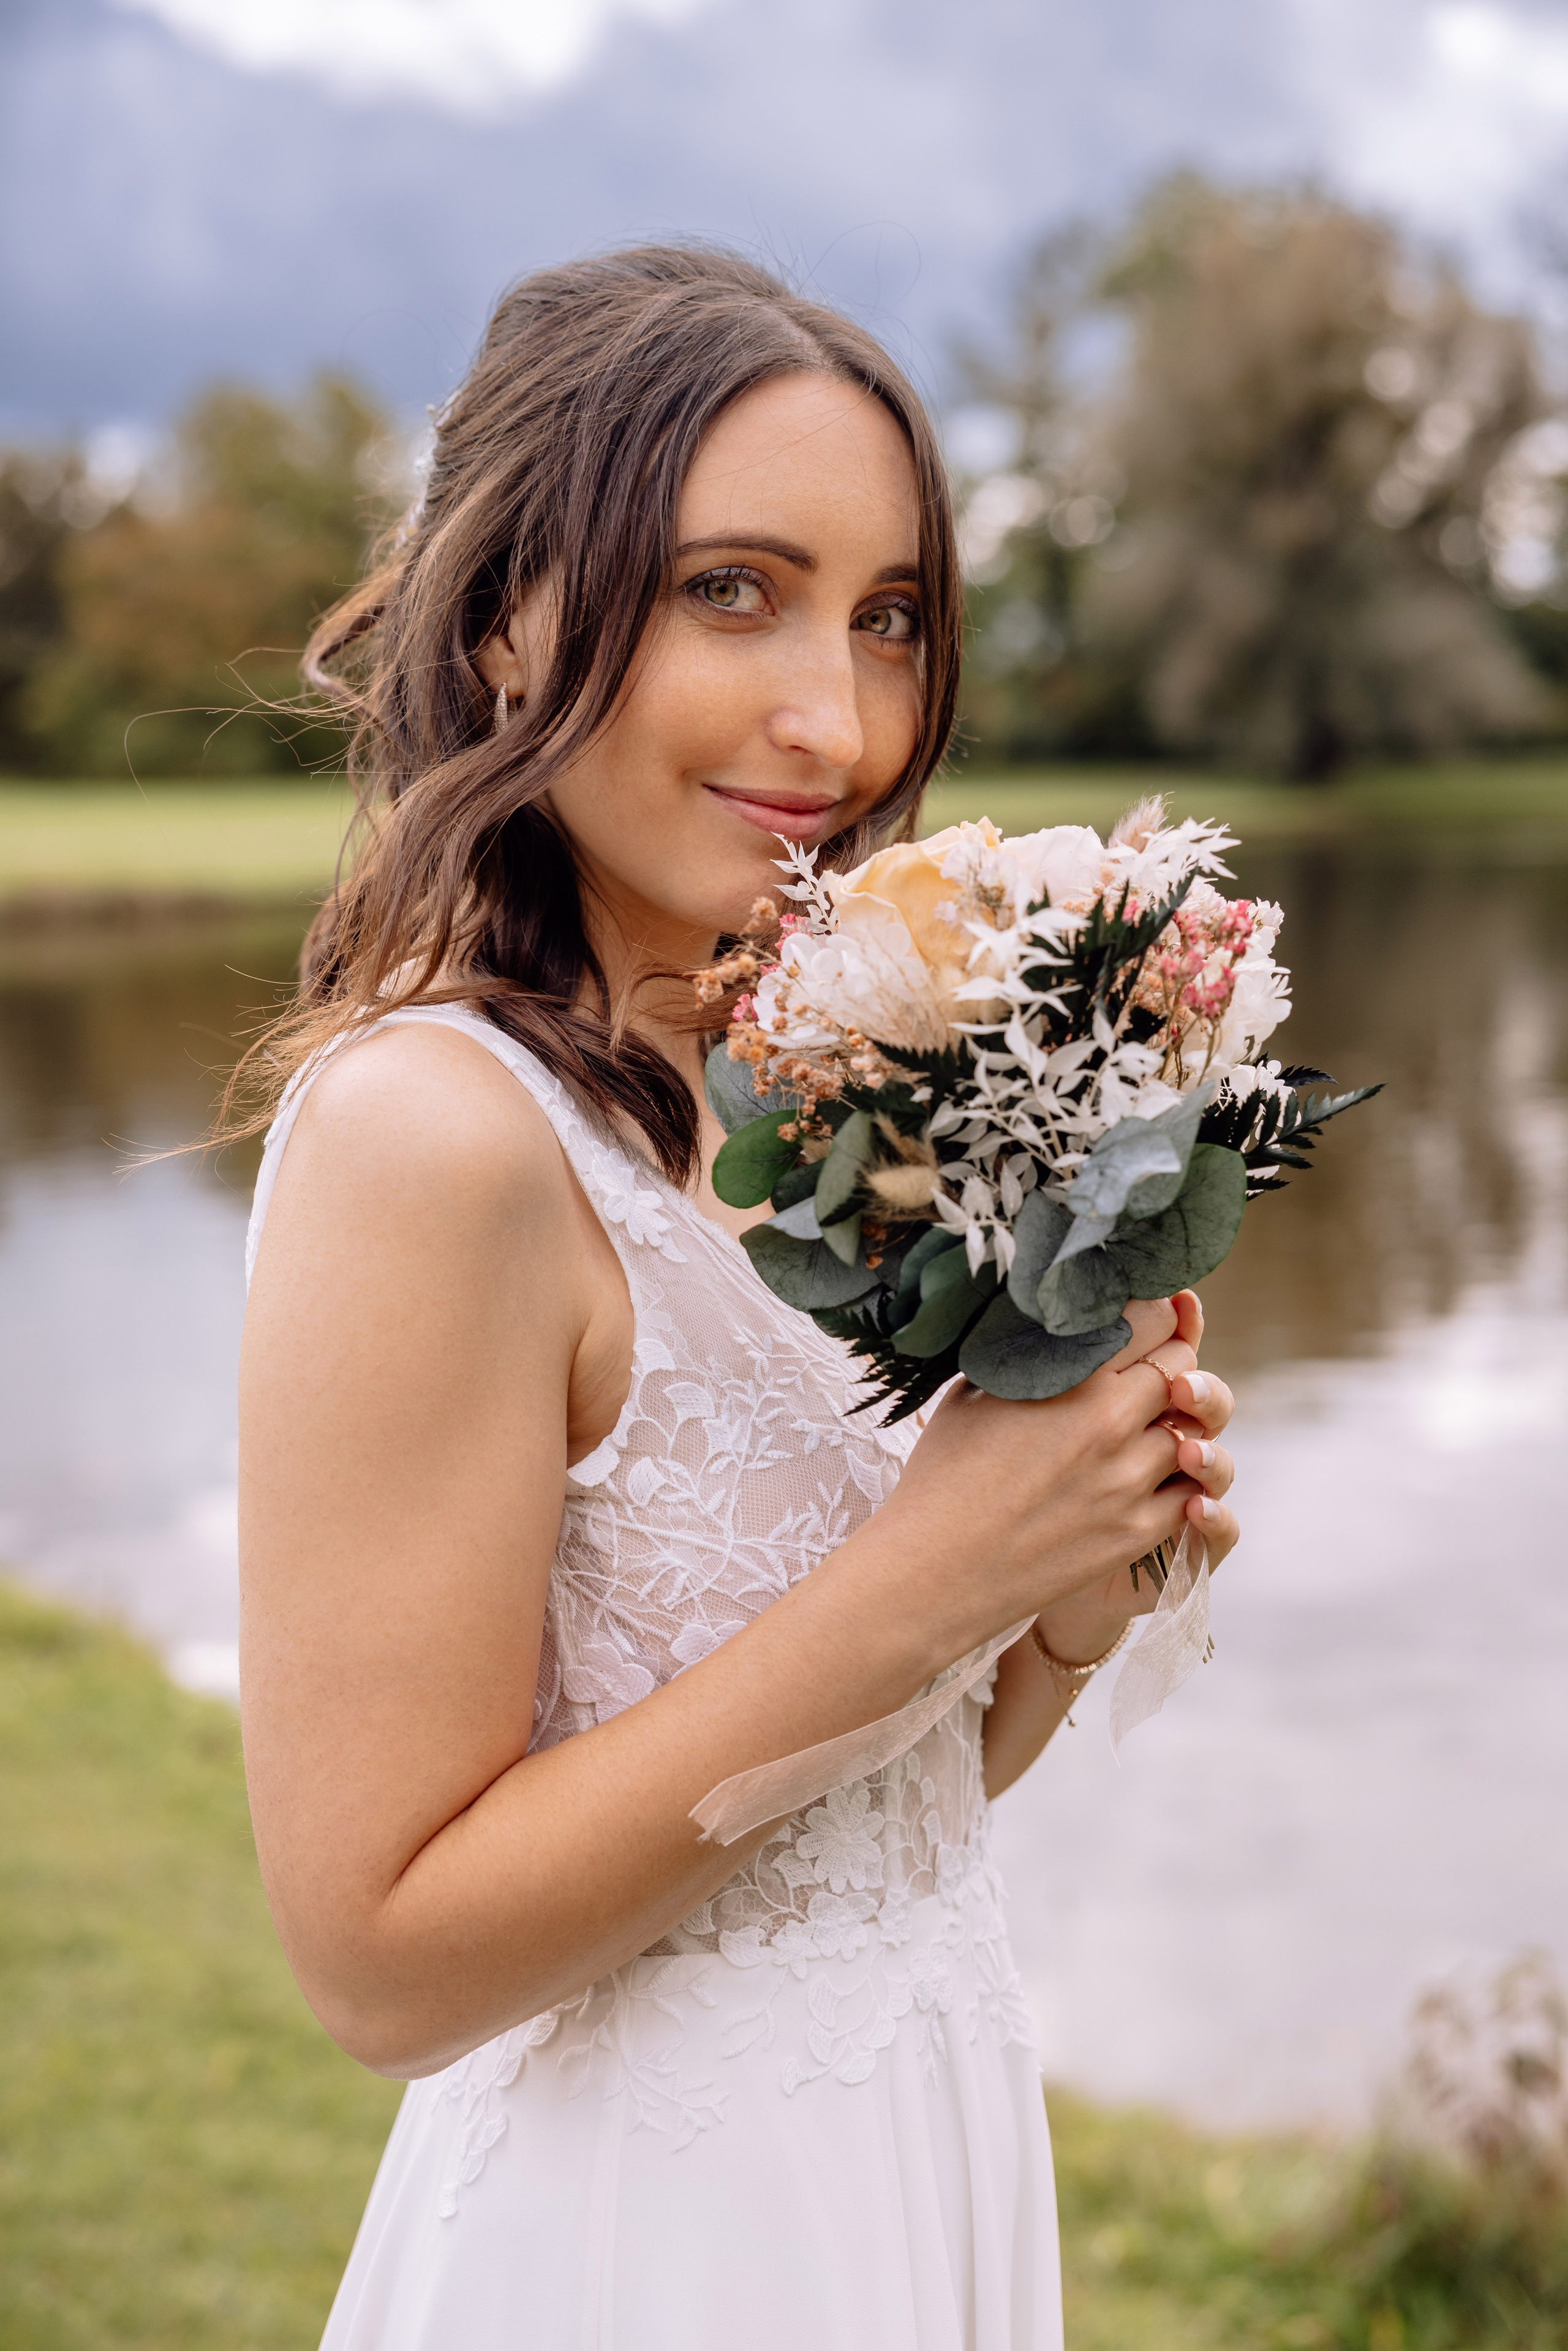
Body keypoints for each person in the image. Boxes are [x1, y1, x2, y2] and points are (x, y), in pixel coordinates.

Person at [237, 245, 1238, 2350]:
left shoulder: (809, 1103)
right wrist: (930, 1571)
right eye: (734, 592)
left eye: (887, 619)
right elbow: (381, 1964)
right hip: (650, 2245)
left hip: (913, 2148)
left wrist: (1062, 1577)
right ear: (510, 613)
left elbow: (878, 1820)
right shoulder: (437, 1139)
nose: (841, 718)